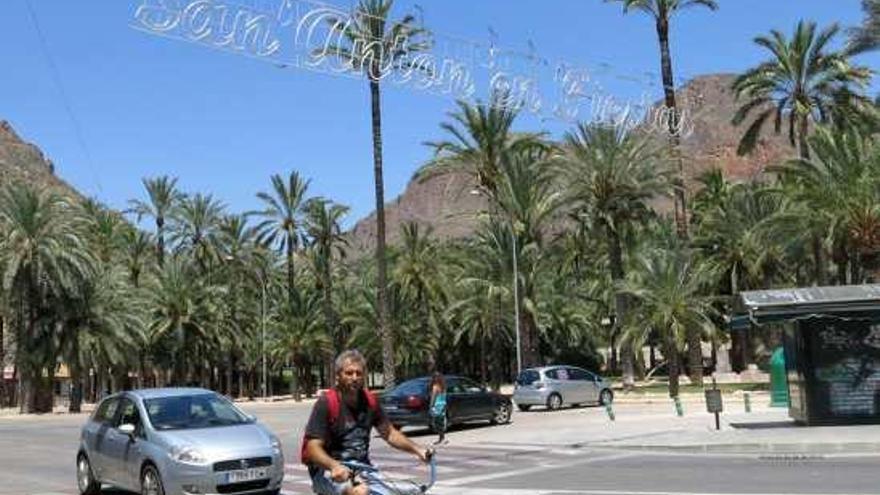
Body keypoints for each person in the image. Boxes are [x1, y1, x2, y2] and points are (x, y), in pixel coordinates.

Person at [303, 350, 431, 495]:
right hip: (328, 471)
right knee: (359, 492)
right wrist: (334, 466)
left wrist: (418, 450)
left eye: (358, 373)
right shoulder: (327, 403)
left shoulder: (370, 401)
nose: (354, 377)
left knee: (406, 492)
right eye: (349, 373)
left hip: (362, 468)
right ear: (338, 375)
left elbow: (389, 433)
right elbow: (312, 448)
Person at [428, 373, 447, 445]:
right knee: (441, 422)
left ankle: (441, 438)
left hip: (436, 405)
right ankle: (442, 438)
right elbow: (444, 396)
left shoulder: (435, 387)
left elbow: (433, 397)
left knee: (436, 423)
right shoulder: (443, 387)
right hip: (443, 405)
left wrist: (431, 406)